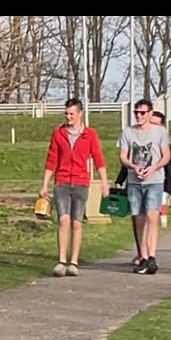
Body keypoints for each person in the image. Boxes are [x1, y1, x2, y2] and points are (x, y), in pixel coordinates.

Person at [38, 97, 109, 277]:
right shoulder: (58, 133)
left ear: (79, 114)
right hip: (62, 182)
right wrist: (45, 183)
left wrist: (104, 181)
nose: (68, 117)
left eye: (71, 114)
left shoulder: (90, 134)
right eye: (66, 113)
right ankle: (61, 260)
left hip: (80, 182)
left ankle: (74, 261)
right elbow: (51, 159)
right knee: (63, 220)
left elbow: (98, 158)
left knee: (77, 223)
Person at [115, 110, 171, 266]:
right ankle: (142, 253)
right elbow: (127, 164)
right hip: (137, 183)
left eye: (155, 124)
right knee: (138, 219)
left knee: (150, 218)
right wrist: (120, 181)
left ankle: (149, 255)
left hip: (159, 184)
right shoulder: (137, 140)